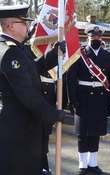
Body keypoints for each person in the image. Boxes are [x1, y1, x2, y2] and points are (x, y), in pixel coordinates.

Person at [0, 5, 65, 175]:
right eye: (23, 22)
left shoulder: (15, 48)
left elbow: (32, 69)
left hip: (21, 126)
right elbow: (26, 93)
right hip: (17, 128)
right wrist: (52, 115)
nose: (28, 27)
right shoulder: (9, 51)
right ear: (11, 25)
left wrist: (53, 55)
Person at [67, 25, 110, 175]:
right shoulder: (79, 54)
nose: (95, 39)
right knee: (82, 132)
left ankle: (93, 162)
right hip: (82, 96)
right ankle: (82, 162)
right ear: (87, 38)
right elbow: (70, 78)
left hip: (100, 97)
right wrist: (72, 99)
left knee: (96, 131)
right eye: (93, 37)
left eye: (98, 37)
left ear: (101, 39)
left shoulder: (108, 56)